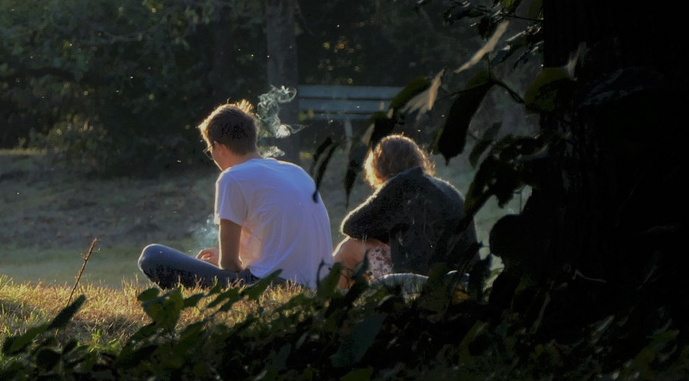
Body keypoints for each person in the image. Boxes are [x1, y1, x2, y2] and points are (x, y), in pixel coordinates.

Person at [138, 102, 332, 291]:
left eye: (210, 151)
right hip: (321, 288)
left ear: (219, 147)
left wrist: (222, 264)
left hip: (273, 288)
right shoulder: (295, 171)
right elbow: (278, 249)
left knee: (153, 256)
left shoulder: (232, 177)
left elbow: (229, 265)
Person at [331, 135, 476, 288]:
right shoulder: (448, 190)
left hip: (419, 285)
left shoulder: (400, 185)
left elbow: (351, 227)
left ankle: (327, 303)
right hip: (464, 283)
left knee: (349, 246)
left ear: (378, 167)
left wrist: (380, 234)